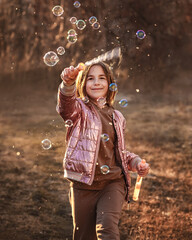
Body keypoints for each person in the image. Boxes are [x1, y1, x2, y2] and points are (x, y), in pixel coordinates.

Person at [56, 62, 150, 240]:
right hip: (83, 185)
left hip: (112, 183)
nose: (96, 82)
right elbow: (65, 105)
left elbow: (119, 152)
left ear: (110, 84)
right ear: (82, 84)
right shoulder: (79, 111)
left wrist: (136, 162)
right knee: (83, 235)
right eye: (90, 78)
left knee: (107, 230)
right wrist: (68, 84)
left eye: (102, 78)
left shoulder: (117, 116)